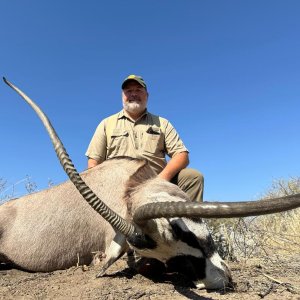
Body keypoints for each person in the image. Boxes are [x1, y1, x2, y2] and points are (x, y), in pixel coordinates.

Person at [85, 74, 204, 202]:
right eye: (129, 91)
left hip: (157, 181)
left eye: (138, 90)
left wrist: (160, 181)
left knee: (193, 177)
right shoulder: (106, 123)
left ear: (147, 95)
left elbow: (182, 155)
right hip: (118, 186)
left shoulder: (162, 123)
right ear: (122, 96)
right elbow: (93, 162)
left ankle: (189, 221)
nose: (133, 94)